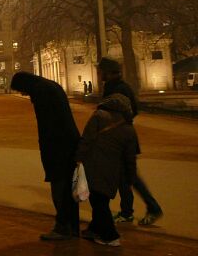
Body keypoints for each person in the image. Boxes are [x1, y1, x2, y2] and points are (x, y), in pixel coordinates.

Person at [10, 72, 80, 240]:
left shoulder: (41, 91)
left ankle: (63, 227)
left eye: (22, 90)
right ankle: (72, 226)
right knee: (67, 187)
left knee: (59, 187)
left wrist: (46, 149)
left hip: (57, 146)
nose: (23, 94)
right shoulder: (50, 86)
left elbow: (47, 124)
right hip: (69, 142)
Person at [97, 57, 163, 226]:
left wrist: (115, 126)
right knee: (123, 178)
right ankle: (127, 212)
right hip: (119, 139)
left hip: (123, 140)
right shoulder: (114, 87)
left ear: (110, 72)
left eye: (102, 71)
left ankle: (152, 208)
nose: (100, 74)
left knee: (130, 177)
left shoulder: (120, 89)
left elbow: (131, 111)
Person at [76, 93, 139, 247]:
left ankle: (110, 236)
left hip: (95, 165)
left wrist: (77, 158)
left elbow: (87, 139)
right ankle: (94, 229)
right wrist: (130, 178)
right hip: (113, 171)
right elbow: (130, 158)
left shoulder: (99, 116)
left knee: (98, 203)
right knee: (100, 200)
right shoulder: (128, 127)